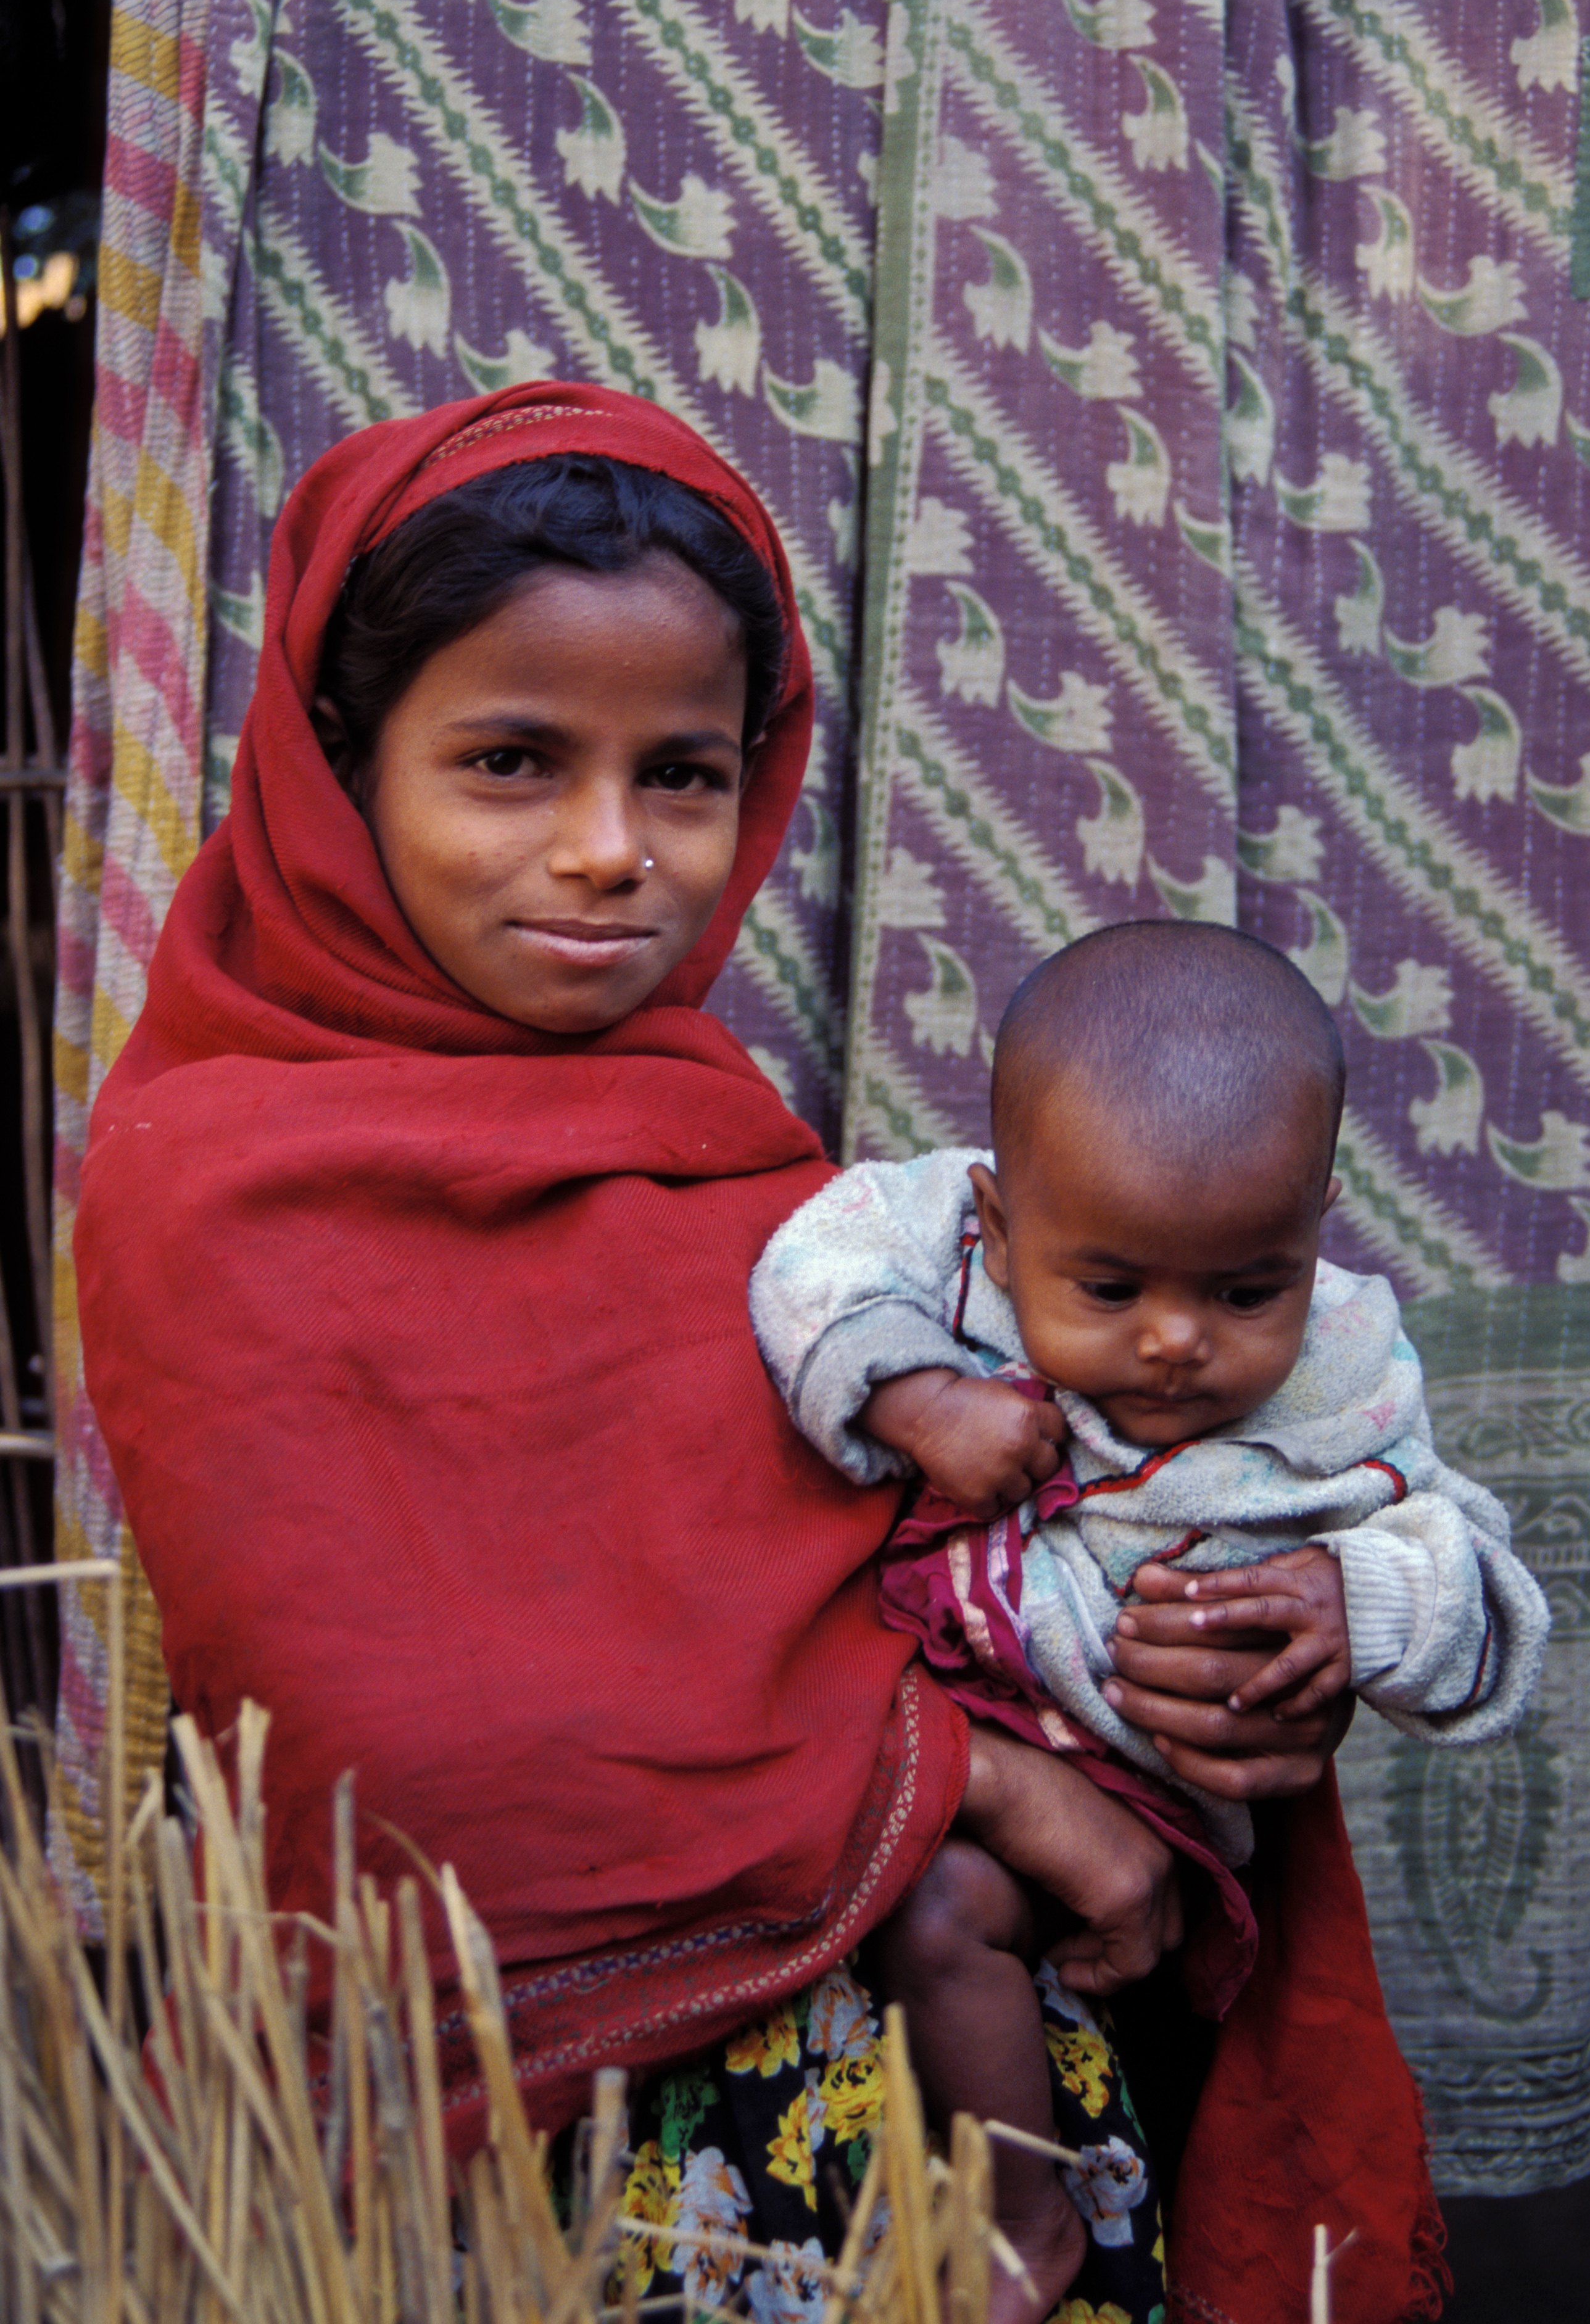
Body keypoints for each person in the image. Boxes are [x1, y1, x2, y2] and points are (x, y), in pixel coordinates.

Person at [73, 387, 1435, 2324]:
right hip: (568, 2169)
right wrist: (982, 1786)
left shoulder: (749, 1167)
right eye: (511, 762)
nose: (609, 850)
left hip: (950, 2103)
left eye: (684, 774)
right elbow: (415, 1731)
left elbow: (1013, 1536)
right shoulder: (216, 1179)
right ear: (338, 766)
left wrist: (1244, 1665)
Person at [752, 922, 1548, 2317]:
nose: (1176, 1340)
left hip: (1155, 1791)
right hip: (939, 1736)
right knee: (922, 1907)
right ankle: (1015, 2204)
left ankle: (1039, 2203)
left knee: (960, 1915)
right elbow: (807, 1263)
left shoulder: (1341, 1371)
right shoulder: (944, 1242)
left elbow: (1480, 1594)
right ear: (1001, 1222)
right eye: (1110, 1288)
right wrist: (916, 1398)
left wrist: (1356, 1597)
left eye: (1246, 1290)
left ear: (1315, 1228)